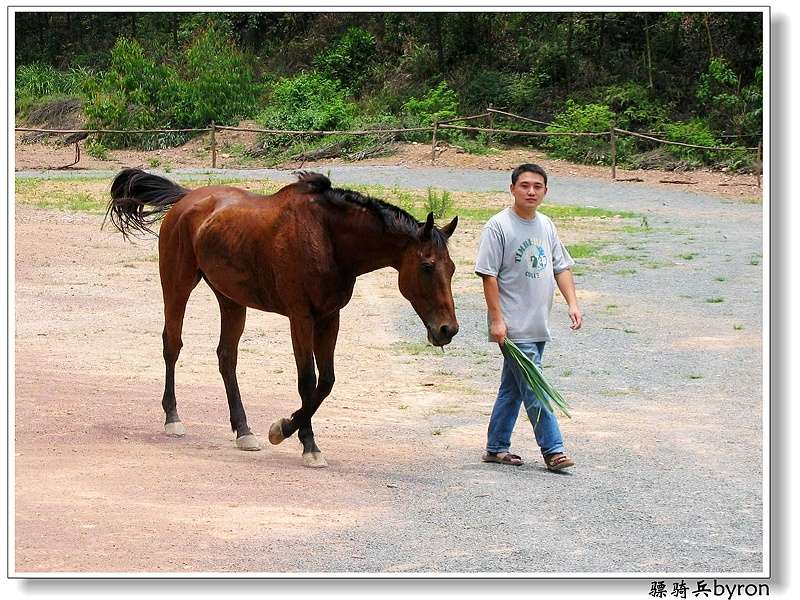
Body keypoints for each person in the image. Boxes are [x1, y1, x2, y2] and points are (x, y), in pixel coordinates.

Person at [474, 163, 582, 471]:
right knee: (535, 388)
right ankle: (554, 449)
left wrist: (572, 302)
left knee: (513, 388)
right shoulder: (498, 226)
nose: (531, 191)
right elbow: (489, 276)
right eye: (524, 185)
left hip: (538, 324)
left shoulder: (546, 225)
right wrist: (496, 320)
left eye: (537, 186)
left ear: (546, 191)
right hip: (514, 326)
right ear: (512, 189)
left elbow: (560, 267)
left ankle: (496, 447)